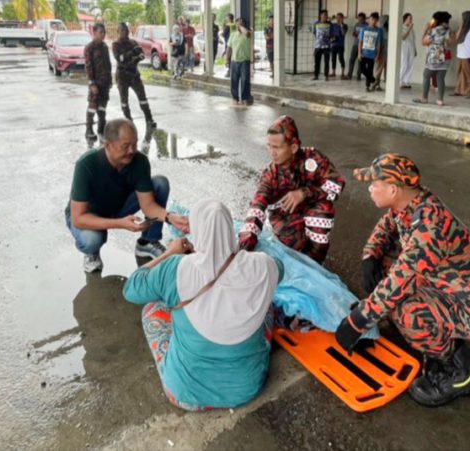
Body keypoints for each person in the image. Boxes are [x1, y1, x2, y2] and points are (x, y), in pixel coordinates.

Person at [334, 154, 470, 407]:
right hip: (449, 287)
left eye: (374, 184)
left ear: (393, 189)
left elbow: (400, 282)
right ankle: (441, 331)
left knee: (405, 311)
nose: (370, 189)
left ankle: (457, 369)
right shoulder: (411, 203)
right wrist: (370, 255)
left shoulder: (430, 226)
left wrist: (357, 321)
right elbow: (387, 225)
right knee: (384, 269)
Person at [123, 199, 283, 411]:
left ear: (196, 232)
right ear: (230, 229)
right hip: (247, 389)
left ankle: (184, 357)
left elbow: (132, 289)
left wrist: (170, 252)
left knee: (152, 309)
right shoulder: (263, 265)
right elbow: (279, 269)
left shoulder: (174, 268)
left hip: (186, 395)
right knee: (266, 301)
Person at [65, 118, 190, 273]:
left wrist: (170, 217)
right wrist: (120, 223)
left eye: (134, 144)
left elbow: (149, 205)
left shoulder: (139, 161)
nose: (131, 151)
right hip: (89, 216)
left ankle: (147, 242)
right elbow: (78, 218)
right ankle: (92, 253)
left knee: (160, 184)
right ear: (108, 145)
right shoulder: (86, 164)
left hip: (118, 206)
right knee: (91, 240)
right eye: (125, 146)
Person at [239, 116, 345, 264]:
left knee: (323, 213)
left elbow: (337, 185)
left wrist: (304, 193)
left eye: (277, 147)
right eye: (269, 146)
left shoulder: (314, 158)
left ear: (294, 147)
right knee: (293, 251)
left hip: (312, 212)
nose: (272, 152)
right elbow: (257, 205)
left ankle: (315, 266)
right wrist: (245, 243)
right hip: (285, 218)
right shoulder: (270, 174)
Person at [112, 22, 157, 150]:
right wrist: (132, 54)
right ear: (118, 32)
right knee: (124, 103)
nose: (124, 33)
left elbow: (142, 55)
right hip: (122, 77)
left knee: (143, 99)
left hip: (134, 75)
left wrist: (133, 58)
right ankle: (129, 122)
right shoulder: (116, 45)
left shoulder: (133, 42)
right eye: (122, 31)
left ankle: (149, 119)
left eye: (126, 31)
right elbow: (120, 58)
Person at [413, 11, 454, 106]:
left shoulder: (433, 30)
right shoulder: (449, 30)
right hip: (446, 56)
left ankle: (424, 98)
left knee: (426, 75)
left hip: (434, 56)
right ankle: (440, 100)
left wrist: (426, 29)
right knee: (440, 78)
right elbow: (450, 42)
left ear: (436, 20)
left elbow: (423, 42)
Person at [83, 22, 111, 146]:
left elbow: (108, 65)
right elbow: (88, 67)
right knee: (92, 106)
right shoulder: (89, 48)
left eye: (104, 32)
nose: (103, 35)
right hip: (95, 83)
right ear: (94, 33)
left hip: (105, 83)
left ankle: (101, 129)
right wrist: (91, 84)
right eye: (101, 32)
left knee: (102, 107)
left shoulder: (105, 47)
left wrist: (110, 80)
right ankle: (89, 130)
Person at [453, 11, 470, 98]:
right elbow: (456, 37)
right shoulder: (464, 28)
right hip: (461, 54)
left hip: (468, 55)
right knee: (460, 73)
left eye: (463, 18)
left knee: (469, 74)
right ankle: (459, 90)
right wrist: (461, 26)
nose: (462, 19)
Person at [229, 18, 253, 106]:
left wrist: (240, 27)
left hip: (244, 61)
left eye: (241, 23)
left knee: (245, 80)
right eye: (237, 23)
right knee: (234, 81)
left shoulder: (248, 33)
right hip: (234, 61)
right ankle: (235, 98)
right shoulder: (233, 35)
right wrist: (227, 59)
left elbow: (247, 33)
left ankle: (245, 98)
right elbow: (229, 47)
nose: (238, 25)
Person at [358, 12, 383, 92]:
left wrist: (377, 55)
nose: (373, 22)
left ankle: (367, 86)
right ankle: (374, 80)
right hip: (363, 53)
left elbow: (379, 44)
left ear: (377, 21)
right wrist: (359, 52)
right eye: (372, 19)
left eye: (375, 20)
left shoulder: (379, 30)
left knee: (370, 70)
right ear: (369, 19)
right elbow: (360, 42)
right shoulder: (364, 29)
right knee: (362, 69)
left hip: (372, 54)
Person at [312, 10, 332, 81]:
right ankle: (316, 75)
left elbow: (331, 33)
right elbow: (314, 32)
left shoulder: (330, 24)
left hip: (327, 46)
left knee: (326, 61)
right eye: (324, 15)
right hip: (318, 46)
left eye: (326, 15)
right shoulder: (316, 23)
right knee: (317, 62)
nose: (325, 17)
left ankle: (326, 76)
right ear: (320, 16)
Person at [347, 12, 367, 81]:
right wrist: (357, 35)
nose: (360, 21)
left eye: (361, 19)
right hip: (355, 45)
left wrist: (359, 36)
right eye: (358, 19)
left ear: (364, 19)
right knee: (351, 60)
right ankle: (349, 75)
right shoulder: (356, 24)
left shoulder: (367, 25)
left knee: (360, 61)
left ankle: (358, 76)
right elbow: (353, 33)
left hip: (363, 46)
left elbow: (366, 36)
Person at [399, 13, 416, 89]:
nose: (411, 20)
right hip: (404, 47)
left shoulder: (412, 29)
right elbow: (403, 37)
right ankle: (399, 81)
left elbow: (413, 40)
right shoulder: (401, 27)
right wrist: (409, 28)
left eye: (411, 18)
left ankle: (406, 81)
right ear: (405, 19)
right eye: (410, 18)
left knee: (410, 64)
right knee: (404, 63)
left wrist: (415, 49)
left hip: (411, 47)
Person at [372, 14, 389, 91]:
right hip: (381, 50)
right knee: (379, 68)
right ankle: (376, 83)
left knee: (387, 69)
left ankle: (385, 85)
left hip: (387, 51)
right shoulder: (380, 30)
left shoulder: (388, 29)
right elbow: (379, 43)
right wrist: (378, 53)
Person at [330, 12, 347, 79]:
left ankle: (342, 73)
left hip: (340, 45)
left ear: (342, 18)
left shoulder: (345, 25)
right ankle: (333, 72)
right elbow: (329, 29)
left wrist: (341, 25)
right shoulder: (333, 25)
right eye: (337, 17)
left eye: (339, 17)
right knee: (333, 59)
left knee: (341, 58)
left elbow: (343, 33)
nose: (338, 19)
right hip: (333, 44)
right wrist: (331, 19)